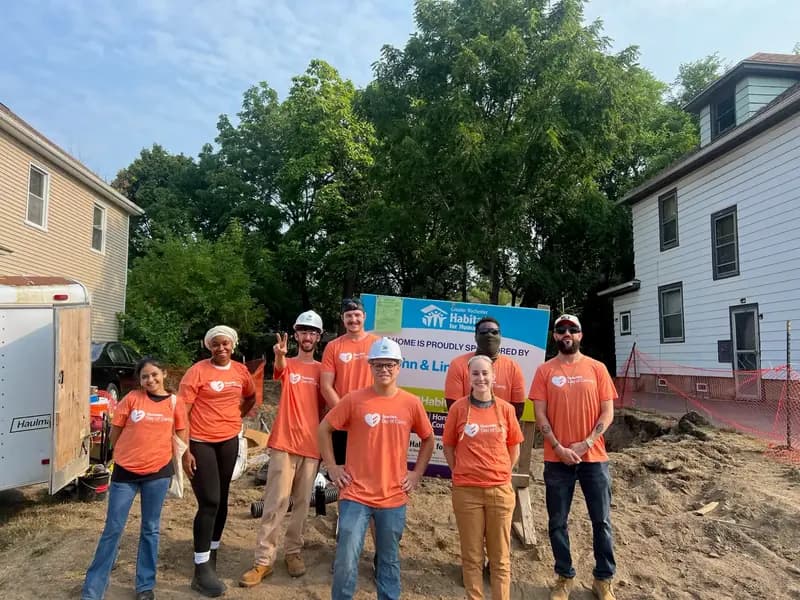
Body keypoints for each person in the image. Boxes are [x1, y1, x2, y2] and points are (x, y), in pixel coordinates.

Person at [318, 337, 435, 600]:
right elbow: (324, 429)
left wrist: (416, 473)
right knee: (346, 558)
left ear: (399, 366)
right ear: (370, 366)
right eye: (379, 364)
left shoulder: (411, 403)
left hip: (393, 496)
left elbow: (428, 439)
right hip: (355, 494)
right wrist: (333, 467)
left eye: (390, 364)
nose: (384, 369)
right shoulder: (354, 399)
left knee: (389, 560)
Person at [82, 357, 188, 600]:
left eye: (154, 375)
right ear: (139, 380)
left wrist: (183, 458)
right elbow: (115, 433)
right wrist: (120, 456)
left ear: (163, 373)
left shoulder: (175, 403)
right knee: (113, 528)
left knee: (150, 529)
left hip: (158, 473)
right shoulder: (131, 399)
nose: (150, 380)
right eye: (144, 376)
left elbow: (181, 434)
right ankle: (93, 590)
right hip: (125, 473)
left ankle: (145, 586)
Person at [528, 315, 618, 600]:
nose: (567, 333)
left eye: (573, 329)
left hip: (594, 458)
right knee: (557, 522)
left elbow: (607, 412)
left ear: (581, 335)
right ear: (555, 336)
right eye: (561, 330)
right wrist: (558, 446)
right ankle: (564, 576)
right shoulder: (544, 371)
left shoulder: (597, 368)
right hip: (557, 460)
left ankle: (602, 579)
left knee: (601, 520)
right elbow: (540, 414)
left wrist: (587, 443)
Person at [239, 310, 325, 587]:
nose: (307, 336)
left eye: (312, 332)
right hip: (284, 443)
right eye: (303, 331)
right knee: (276, 502)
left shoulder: (323, 370)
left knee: (301, 504)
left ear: (318, 337)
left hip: (312, 447)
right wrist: (278, 353)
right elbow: (279, 368)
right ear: (296, 334)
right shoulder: (287, 364)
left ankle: (293, 552)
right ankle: (264, 560)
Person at [179, 325, 257, 598]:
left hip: (228, 441)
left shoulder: (240, 371)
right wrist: (185, 450)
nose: (221, 348)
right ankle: (200, 572)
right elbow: (182, 413)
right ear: (209, 346)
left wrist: (237, 416)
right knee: (209, 501)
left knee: (222, 499)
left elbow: (250, 397)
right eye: (215, 344)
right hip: (200, 442)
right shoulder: (197, 371)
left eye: (225, 344)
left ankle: (211, 552)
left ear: (233, 346)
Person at [442, 355, 524, 600]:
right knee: (472, 557)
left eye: (485, 373)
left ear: (493, 376)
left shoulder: (506, 410)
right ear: (469, 377)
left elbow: (514, 447)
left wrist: (501, 473)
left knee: (500, 559)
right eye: (475, 373)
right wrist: (459, 471)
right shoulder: (458, 409)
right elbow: (448, 445)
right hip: (466, 493)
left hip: (500, 491)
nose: (481, 378)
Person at [320, 297, 380, 569]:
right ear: (342, 319)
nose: (353, 320)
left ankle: (381, 553)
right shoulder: (334, 346)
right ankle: (346, 552)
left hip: (374, 426)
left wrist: (365, 416)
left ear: (364, 316)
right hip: (344, 426)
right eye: (348, 316)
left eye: (357, 315)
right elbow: (326, 385)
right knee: (345, 484)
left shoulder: (377, 344)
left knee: (378, 484)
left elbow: (385, 382)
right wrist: (346, 414)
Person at [444, 316, 526, 420]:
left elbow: (517, 409)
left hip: (502, 430)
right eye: (483, 332)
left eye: (494, 332)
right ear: (475, 337)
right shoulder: (458, 364)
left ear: (500, 336)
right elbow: (453, 406)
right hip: (468, 429)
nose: (489, 335)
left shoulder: (513, 367)